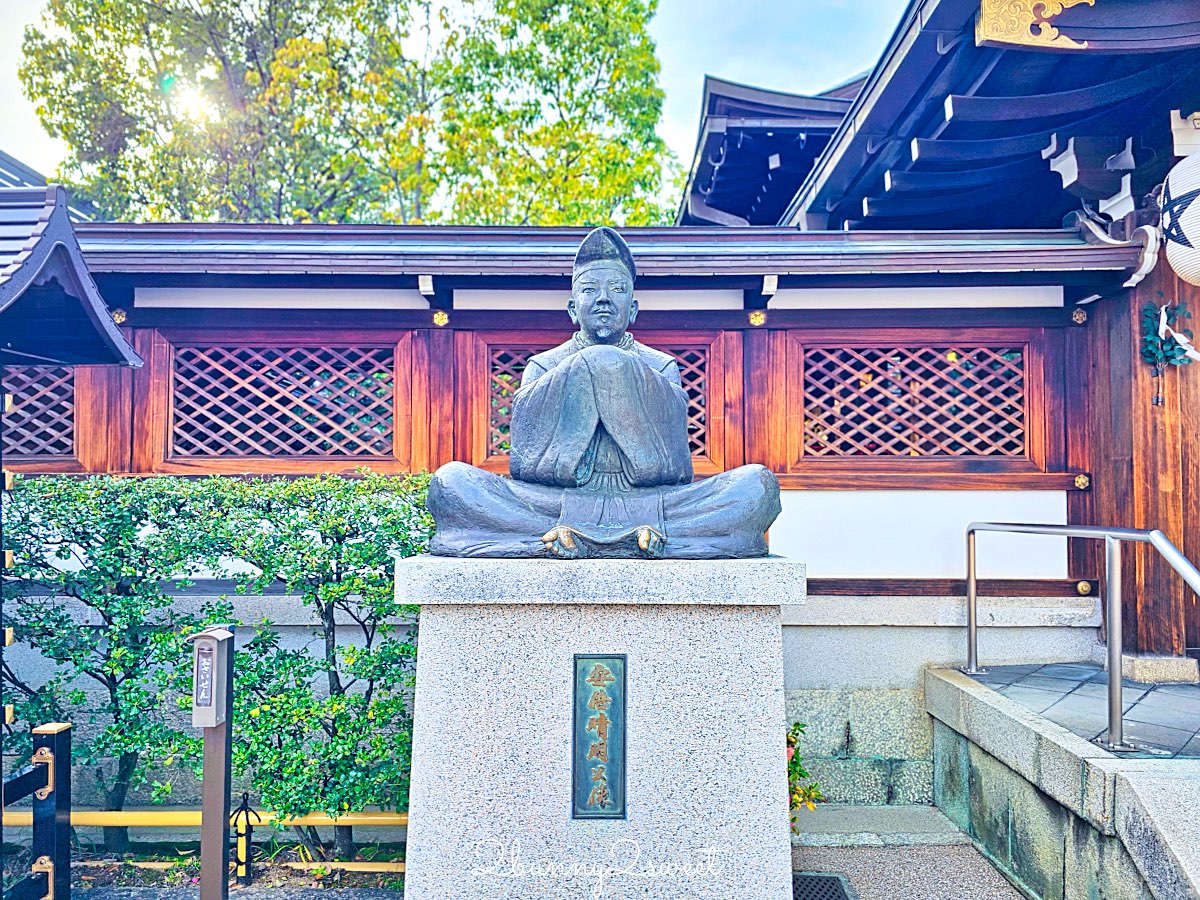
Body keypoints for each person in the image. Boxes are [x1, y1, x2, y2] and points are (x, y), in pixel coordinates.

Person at [427, 226, 780, 559]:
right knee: (451, 483)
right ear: (571, 308)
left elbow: (672, 468)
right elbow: (528, 466)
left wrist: (614, 368)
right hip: (556, 504)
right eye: (589, 289)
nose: (603, 300)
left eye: (617, 289)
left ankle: (557, 539)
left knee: (756, 486)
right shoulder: (543, 366)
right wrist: (588, 368)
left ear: (633, 308)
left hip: (651, 504)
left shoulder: (660, 366)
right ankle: (624, 539)